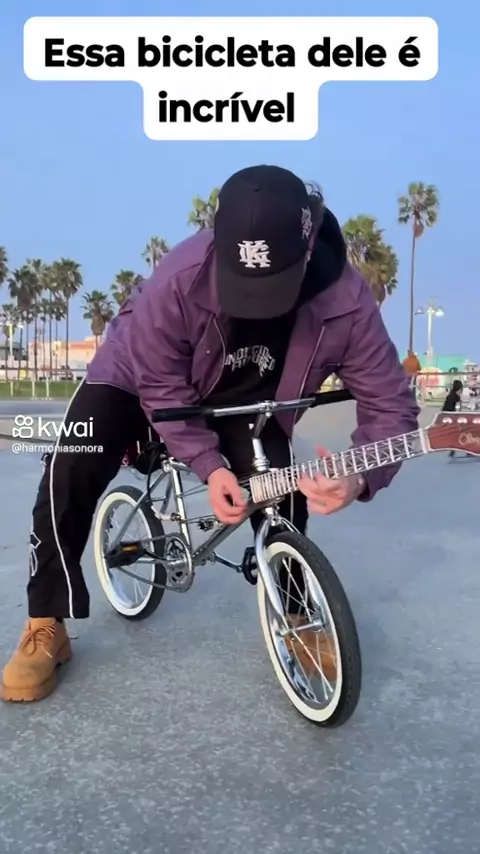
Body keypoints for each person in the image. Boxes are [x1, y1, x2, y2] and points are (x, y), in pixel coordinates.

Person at [1, 165, 419, 703]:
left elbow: (391, 404)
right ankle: (45, 621)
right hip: (139, 373)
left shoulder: (346, 299)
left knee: (283, 486)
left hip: (245, 398)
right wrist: (209, 464)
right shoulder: (180, 275)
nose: (258, 303)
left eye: (273, 286)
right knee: (72, 461)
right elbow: (160, 385)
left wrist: (359, 477)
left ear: (308, 246)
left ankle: (299, 615)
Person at [442, 379, 463, 459]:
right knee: (458, 432)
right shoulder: (455, 397)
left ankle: (453, 449)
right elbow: (457, 409)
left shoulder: (451, 395)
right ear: (459, 389)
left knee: (454, 433)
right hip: (450, 417)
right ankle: (454, 448)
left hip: (446, 416)